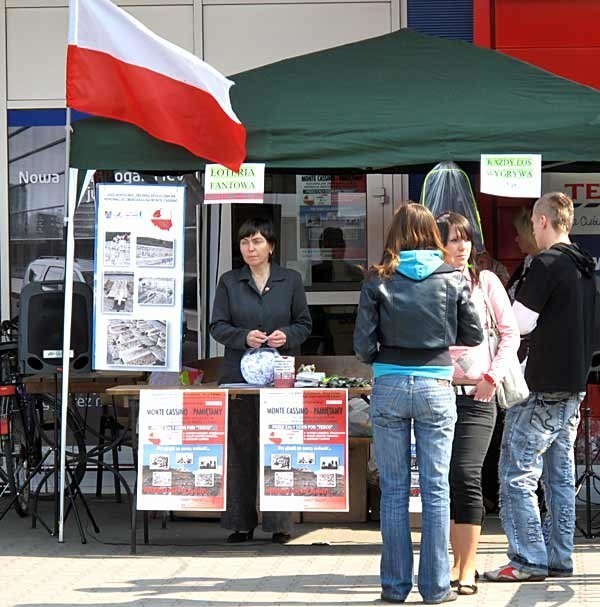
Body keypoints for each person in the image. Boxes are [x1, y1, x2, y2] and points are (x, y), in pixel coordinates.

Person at [353, 203, 483, 604]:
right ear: (431, 233)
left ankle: (394, 588)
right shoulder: (452, 277)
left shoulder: (378, 279)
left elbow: (361, 346)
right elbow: (475, 335)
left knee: (393, 489)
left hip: (389, 384)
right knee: (435, 488)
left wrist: (387, 356)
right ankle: (436, 588)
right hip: (436, 387)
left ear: (395, 234)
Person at [485, 192, 598, 582]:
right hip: (574, 383)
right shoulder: (585, 265)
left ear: (545, 222)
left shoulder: (547, 263)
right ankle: (558, 555)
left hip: (542, 384)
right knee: (559, 474)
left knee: (517, 473)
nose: (532, 228)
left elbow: (521, 324)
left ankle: (527, 558)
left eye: (534, 222)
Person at [209, 217, 312, 544]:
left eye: (256, 242)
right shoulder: (229, 281)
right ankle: (240, 522)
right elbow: (217, 326)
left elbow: (305, 323)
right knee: (240, 449)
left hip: (279, 377)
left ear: (271, 246)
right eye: (244, 243)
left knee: (279, 448)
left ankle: (280, 524)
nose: (250, 249)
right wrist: (243, 336)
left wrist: (288, 335)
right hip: (238, 376)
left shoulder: (290, 280)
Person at [436, 212, 520, 595]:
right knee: (443, 479)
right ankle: (449, 562)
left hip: (478, 396)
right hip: (436, 394)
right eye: (453, 239)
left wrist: (493, 376)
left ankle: (467, 567)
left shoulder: (485, 281)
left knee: (467, 474)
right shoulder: (429, 283)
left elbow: (510, 334)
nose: (461, 246)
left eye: (465, 239)